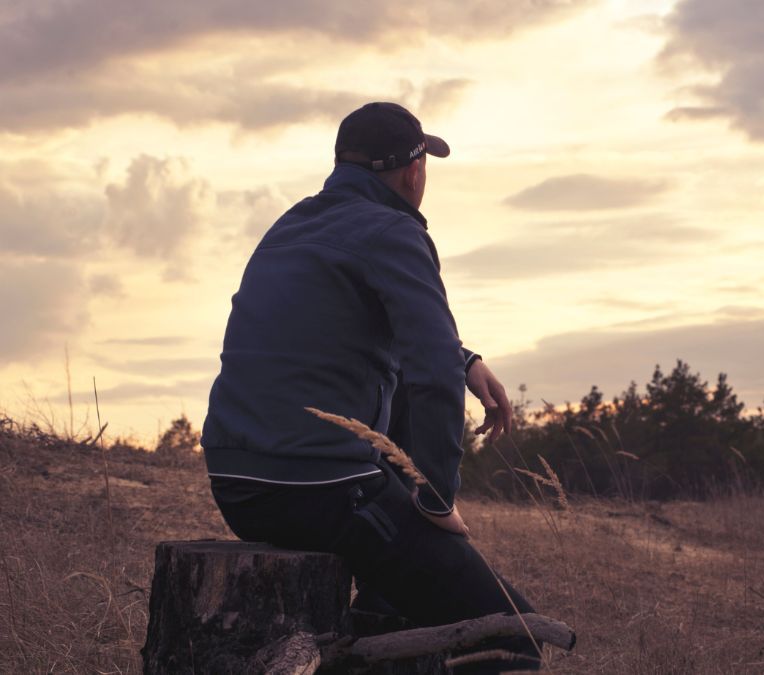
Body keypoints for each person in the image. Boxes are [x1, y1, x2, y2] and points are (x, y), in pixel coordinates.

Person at [201, 102, 540, 672]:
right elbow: (429, 375)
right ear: (413, 171)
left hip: (236, 483)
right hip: (317, 489)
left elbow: (337, 327)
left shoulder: (293, 223)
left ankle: (382, 616)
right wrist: (435, 500)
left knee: (399, 614)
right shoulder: (394, 231)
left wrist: (464, 360)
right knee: (511, 642)